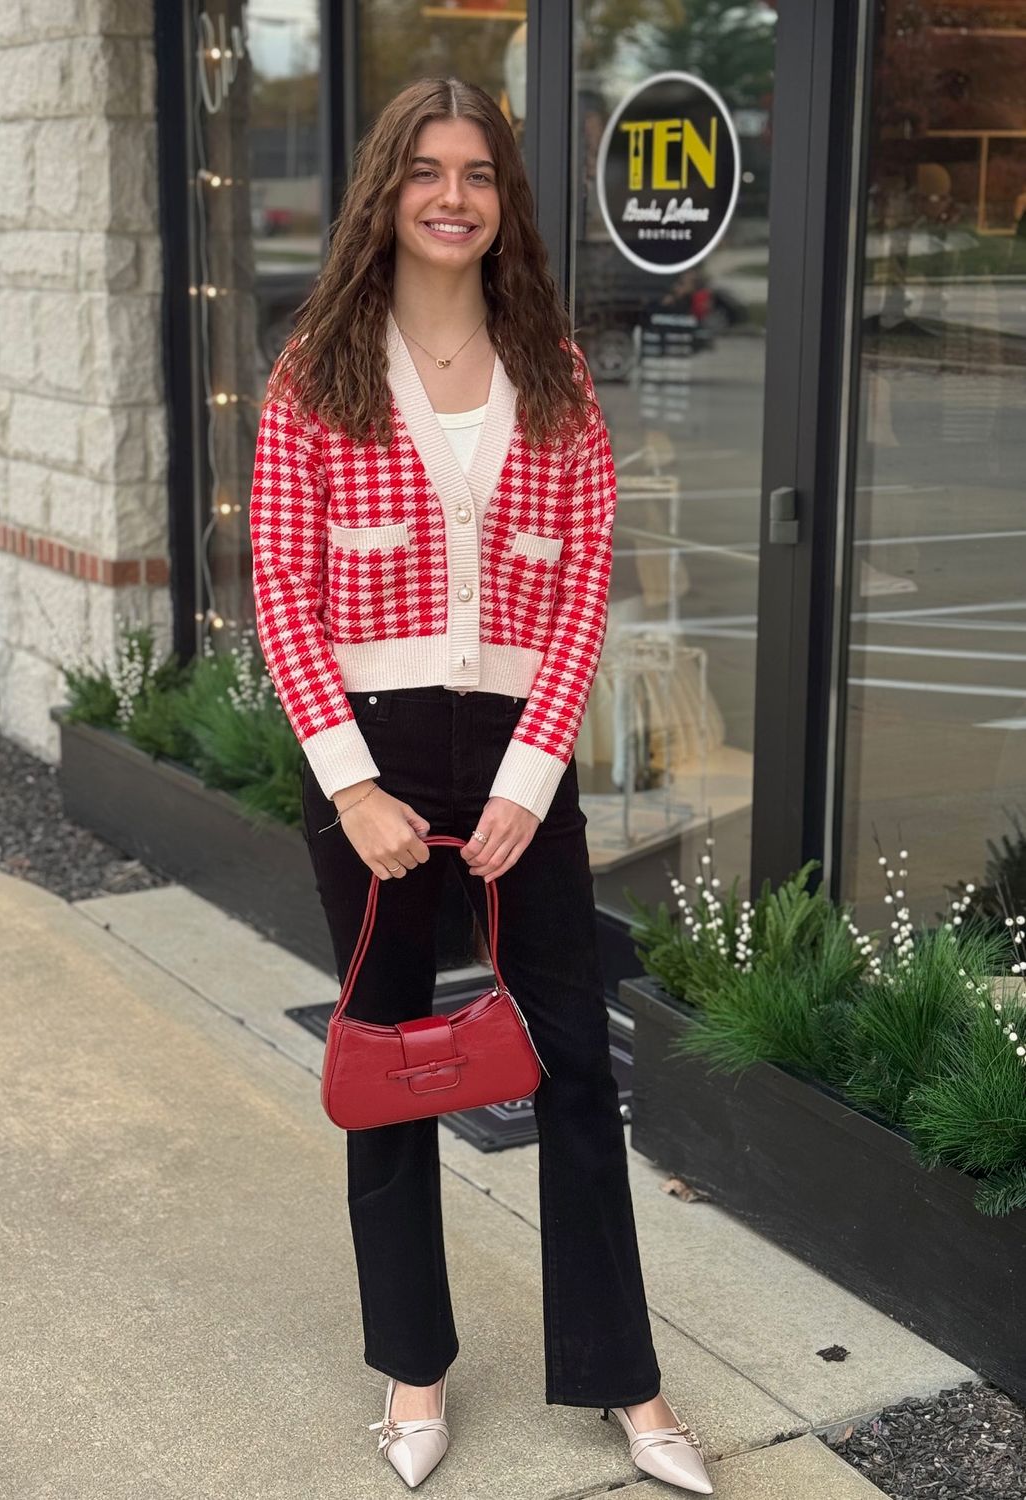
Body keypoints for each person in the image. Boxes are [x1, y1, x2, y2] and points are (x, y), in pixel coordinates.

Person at [248, 76, 714, 1496]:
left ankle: (626, 1384)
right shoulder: (316, 366)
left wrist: (533, 772)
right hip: (374, 760)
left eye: (481, 175)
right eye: (427, 171)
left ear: (505, 202)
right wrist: (349, 788)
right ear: (388, 191)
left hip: (518, 765)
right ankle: (414, 1370)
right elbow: (284, 586)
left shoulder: (554, 371)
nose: (454, 195)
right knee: (388, 1066)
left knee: (572, 1061)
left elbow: (581, 593)